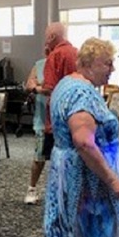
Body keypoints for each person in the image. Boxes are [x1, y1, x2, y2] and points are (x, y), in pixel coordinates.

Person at [44, 38, 119, 237]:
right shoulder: (81, 93)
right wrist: (113, 179)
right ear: (89, 63)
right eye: (108, 63)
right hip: (88, 188)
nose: (112, 69)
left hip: (69, 178)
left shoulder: (67, 83)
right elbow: (84, 142)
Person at [41, 22, 78, 164]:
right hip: (76, 113)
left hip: (58, 117)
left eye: (46, 37)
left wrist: (35, 89)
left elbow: (49, 88)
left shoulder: (55, 56)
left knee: (57, 161)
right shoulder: (77, 52)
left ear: (51, 37)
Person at [23, 48, 48, 204]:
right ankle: (31, 189)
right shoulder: (39, 65)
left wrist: (40, 85)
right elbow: (29, 85)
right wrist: (40, 87)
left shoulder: (65, 64)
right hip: (43, 119)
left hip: (62, 119)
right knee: (39, 157)